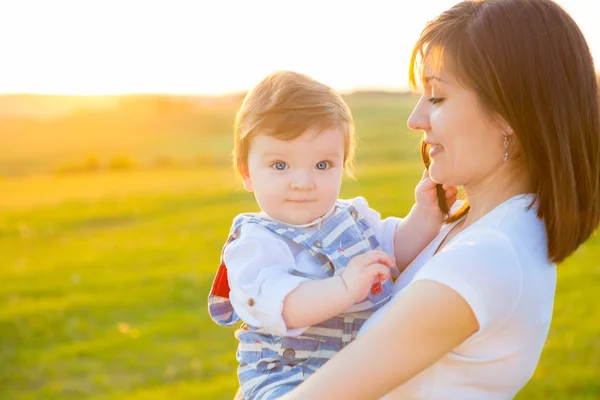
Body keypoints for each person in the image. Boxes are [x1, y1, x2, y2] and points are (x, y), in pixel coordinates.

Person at [281, 0, 600, 399]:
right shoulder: (470, 228)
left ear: (508, 114)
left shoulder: (488, 255)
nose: (415, 119)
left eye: (437, 97)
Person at [207, 70, 457, 400]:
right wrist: (343, 287)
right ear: (246, 172)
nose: (303, 182)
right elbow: (285, 307)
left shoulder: (352, 218)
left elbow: (394, 252)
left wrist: (426, 213)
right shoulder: (255, 244)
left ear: (343, 164)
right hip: (286, 379)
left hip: (353, 376)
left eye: (322, 165)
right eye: (280, 165)